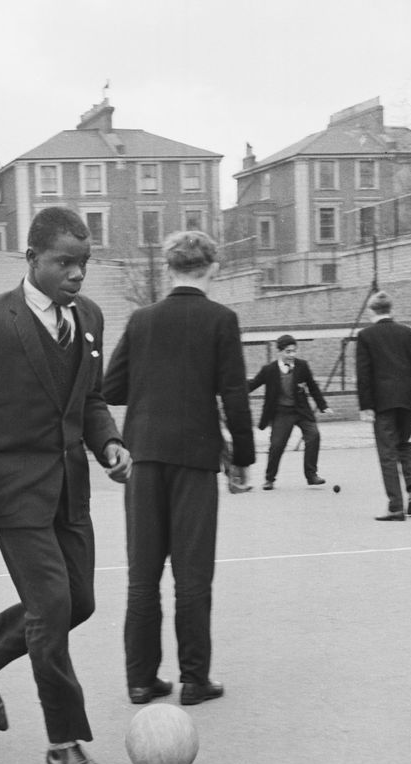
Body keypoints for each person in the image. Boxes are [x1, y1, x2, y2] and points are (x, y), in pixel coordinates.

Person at [0, 206, 132, 764]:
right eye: (64, 262)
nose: (77, 275)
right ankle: (64, 744)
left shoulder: (88, 318)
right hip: (12, 491)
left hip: (71, 489)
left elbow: (88, 400)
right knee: (49, 610)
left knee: (79, 603)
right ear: (32, 259)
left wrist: (110, 444)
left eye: (84, 263)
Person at [103, 230, 255, 707]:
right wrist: (243, 460)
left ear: (169, 269)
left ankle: (141, 679)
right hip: (194, 456)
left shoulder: (142, 319)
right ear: (213, 268)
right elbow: (233, 394)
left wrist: (155, 393)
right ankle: (194, 679)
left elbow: (111, 387)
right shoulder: (221, 320)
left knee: (142, 574)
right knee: (192, 575)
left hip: (144, 454)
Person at [355, 291, 411, 520]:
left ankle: (396, 506)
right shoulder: (407, 333)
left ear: (371, 311)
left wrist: (366, 405)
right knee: (404, 445)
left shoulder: (366, 335)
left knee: (387, 453)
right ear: (392, 310)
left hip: (382, 403)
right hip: (406, 400)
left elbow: (364, 373)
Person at [248, 334, 332, 490]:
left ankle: (311, 475)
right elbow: (252, 385)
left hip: (301, 411)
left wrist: (323, 405)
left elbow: (312, 387)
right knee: (277, 445)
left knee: (314, 435)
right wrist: (232, 389)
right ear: (279, 352)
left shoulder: (302, 366)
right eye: (288, 351)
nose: (292, 355)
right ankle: (269, 479)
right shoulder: (269, 370)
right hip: (281, 413)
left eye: (294, 351)